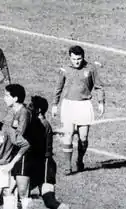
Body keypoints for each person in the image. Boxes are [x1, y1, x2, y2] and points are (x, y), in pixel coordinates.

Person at [28, 96, 88, 209]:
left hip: (43, 165)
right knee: (30, 196)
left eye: (31, 106)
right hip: (42, 164)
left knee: (45, 199)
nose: (28, 108)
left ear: (38, 110)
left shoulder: (40, 125)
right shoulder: (40, 123)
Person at [51, 45, 105, 175]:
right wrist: (54, 104)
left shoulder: (91, 68)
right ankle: (67, 166)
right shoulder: (64, 69)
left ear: (83, 57)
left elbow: (99, 86)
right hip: (68, 105)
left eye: (79, 59)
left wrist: (101, 102)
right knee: (68, 134)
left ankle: (79, 160)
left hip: (84, 105)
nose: (76, 61)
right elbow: (58, 87)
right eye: (74, 59)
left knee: (83, 137)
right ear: (70, 57)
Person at [0, 84, 35, 209]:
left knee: (22, 191)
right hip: (11, 153)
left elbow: (19, 135)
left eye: (7, 95)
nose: (4, 98)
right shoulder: (10, 111)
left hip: (23, 155)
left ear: (15, 98)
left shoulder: (24, 113)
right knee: (8, 189)